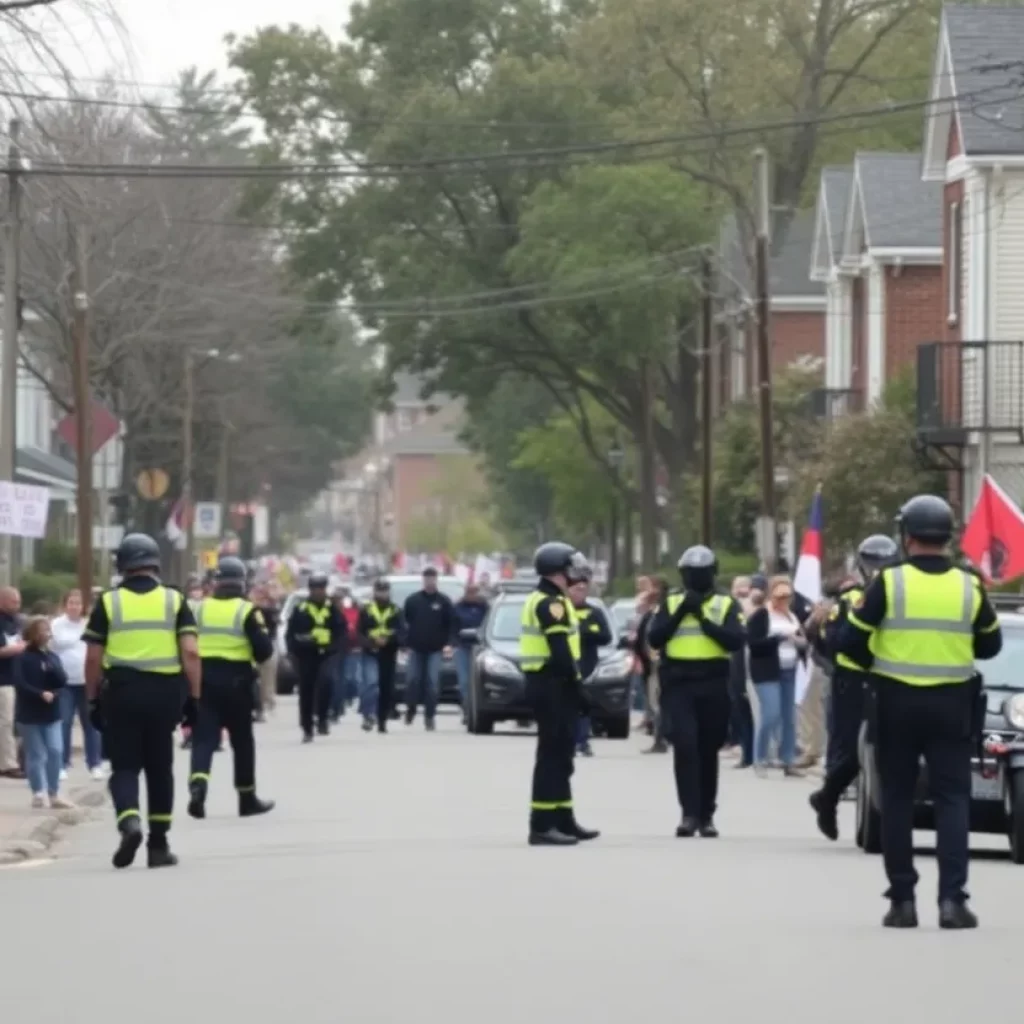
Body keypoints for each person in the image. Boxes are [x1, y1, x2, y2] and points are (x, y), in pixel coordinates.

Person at [839, 494, 1002, 930]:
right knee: (952, 801)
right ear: (947, 536)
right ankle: (952, 902)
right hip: (952, 708)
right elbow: (991, 645)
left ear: (906, 536)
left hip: (895, 705)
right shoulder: (969, 585)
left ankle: (902, 902)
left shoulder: (889, 583)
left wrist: (878, 658)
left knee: (896, 801)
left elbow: (849, 641)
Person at [83, 533, 201, 870]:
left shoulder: (108, 602)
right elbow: (191, 652)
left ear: (123, 565)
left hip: (120, 693)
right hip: (164, 696)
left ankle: (130, 822)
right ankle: (159, 845)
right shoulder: (174, 602)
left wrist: (91, 700)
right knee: (160, 769)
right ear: (155, 564)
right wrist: (194, 698)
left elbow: (93, 658)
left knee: (124, 766)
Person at [647, 546, 745, 837]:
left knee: (708, 749)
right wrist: (680, 614)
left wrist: (702, 618)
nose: (696, 578)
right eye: (691, 574)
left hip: (713, 681)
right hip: (679, 683)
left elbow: (735, 641)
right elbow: (655, 637)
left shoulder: (726, 604)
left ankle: (706, 815)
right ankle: (688, 814)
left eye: (701, 574)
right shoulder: (672, 600)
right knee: (686, 746)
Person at [809, 536, 899, 841]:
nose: (877, 569)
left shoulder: (899, 595)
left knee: (886, 746)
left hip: (888, 679)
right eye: (873, 563)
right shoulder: (850, 599)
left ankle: (834, 798)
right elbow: (833, 638)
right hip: (853, 680)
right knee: (851, 749)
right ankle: (829, 797)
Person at [520, 541, 598, 846]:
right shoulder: (549, 603)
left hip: (555, 683)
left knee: (564, 754)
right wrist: (578, 687)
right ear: (556, 571)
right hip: (550, 683)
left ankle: (564, 818)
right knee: (551, 755)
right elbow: (560, 651)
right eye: (570, 566)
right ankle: (541, 825)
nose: (574, 571)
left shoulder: (557, 600)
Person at [187, 557, 275, 820]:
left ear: (215, 583)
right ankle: (246, 798)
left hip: (204, 681)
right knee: (242, 741)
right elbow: (264, 651)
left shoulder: (198, 609)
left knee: (204, 739)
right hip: (237, 683)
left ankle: (198, 786)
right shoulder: (247, 611)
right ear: (242, 583)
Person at [747, 575, 808, 777]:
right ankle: (760, 757)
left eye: (787, 596)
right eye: (779, 595)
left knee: (789, 717)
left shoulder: (792, 616)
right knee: (771, 714)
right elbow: (754, 644)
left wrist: (801, 643)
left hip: (789, 669)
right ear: (771, 594)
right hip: (767, 671)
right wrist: (779, 638)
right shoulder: (762, 615)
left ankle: (788, 760)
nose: (783, 600)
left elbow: (802, 638)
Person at [14, 616, 75, 810]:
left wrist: (53, 671)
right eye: (40, 630)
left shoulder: (52, 657)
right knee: (36, 754)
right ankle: (38, 792)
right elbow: (20, 683)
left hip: (52, 712)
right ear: (31, 633)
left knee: (56, 750)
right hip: (30, 713)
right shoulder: (23, 658)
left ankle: (54, 792)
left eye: (47, 630)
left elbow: (62, 681)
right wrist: (39, 693)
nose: (45, 634)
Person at [285, 572, 347, 742]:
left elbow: (342, 632)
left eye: (321, 588)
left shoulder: (332, 609)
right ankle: (306, 727)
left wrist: (335, 648)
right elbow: (291, 634)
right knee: (306, 690)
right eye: (315, 588)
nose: (318, 592)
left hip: (327, 653)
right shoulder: (300, 609)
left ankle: (323, 718)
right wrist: (294, 651)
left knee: (326, 681)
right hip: (305, 655)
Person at [51, 589, 103, 781]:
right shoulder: (56, 624)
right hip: (64, 682)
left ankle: (94, 763)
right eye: (71, 603)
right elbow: (54, 647)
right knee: (64, 722)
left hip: (87, 681)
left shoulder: (89, 624)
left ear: (83, 606)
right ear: (65, 605)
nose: (74, 606)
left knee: (91, 724)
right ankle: (62, 764)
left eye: (78, 603)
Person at [402, 567, 456, 730]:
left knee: (432, 683)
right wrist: (405, 644)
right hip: (415, 649)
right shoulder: (413, 601)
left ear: (436, 580)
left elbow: (451, 625)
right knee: (412, 680)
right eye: (427, 579)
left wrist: (449, 643)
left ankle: (429, 716)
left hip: (435, 649)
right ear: (423, 580)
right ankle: (410, 709)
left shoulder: (444, 601)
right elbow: (405, 624)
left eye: (432, 579)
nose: (430, 582)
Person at [567, 572, 612, 757]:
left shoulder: (595, 612)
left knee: (583, 704)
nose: (580, 593)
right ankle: (567, 741)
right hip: (565, 663)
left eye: (584, 590)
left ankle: (583, 741)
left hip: (586, 665)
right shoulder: (561, 610)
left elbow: (606, 637)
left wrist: (585, 633)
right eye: (577, 589)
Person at [358, 578, 405, 733]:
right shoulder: (366, 610)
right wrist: (371, 642)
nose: (382, 594)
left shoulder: (395, 611)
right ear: (374, 592)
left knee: (386, 687)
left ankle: (382, 719)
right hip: (370, 652)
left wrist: (389, 640)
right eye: (379, 591)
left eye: (385, 591)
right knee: (371, 683)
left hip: (388, 653)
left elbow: (402, 632)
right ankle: (368, 715)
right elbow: (359, 632)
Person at [727, 575, 754, 769]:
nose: (742, 591)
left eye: (745, 587)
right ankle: (746, 752)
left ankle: (755, 753)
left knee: (752, 713)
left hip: (753, 668)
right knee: (740, 712)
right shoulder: (730, 609)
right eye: (738, 588)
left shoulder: (756, 611)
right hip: (734, 667)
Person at [453, 582, 489, 723]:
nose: (472, 595)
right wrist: (453, 642)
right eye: (469, 592)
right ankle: (467, 710)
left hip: (480, 649)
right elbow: (452, 627)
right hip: (462, 648)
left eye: (474, 592)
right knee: (464, 682)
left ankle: (477, 710)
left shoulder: (485, 608)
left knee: (479, 682)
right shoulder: (457, 608)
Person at [0, 586, 25, 779]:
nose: (17, 605)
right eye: (14, 601)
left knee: (17, 722)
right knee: (6, 722)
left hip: (18, 678)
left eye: (19, 601)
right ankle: (8, 764)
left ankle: (17, 758)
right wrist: (18, 649)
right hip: (3, 679)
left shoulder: (18, 621)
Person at [252, 584, 281, 720]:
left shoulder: (271, 611)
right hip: (251, 648)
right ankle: (259, 707)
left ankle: (266, 704)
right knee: (254, 680)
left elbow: (275, 622)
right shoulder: (250, 609)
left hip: (268, 647)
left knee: (266, 679)